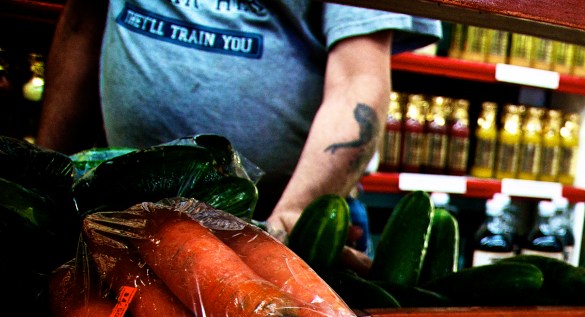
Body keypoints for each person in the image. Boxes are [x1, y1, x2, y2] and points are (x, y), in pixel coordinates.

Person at [37, 0, 440, 238]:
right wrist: (45, 190)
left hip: (276, 218)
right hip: (113, 207)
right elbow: (80, 26)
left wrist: (287, 223)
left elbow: (360, 78)